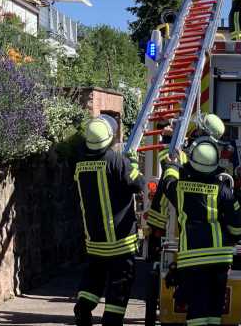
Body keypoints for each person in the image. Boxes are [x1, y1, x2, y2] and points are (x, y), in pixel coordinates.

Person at [156, 133, 241, 325]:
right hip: (220, 258)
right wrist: (232, 238)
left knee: (196, 309)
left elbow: (167, 184)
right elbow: (237, 225)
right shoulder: (223, 190)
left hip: (192, 259)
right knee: (214, 308)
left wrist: (172, 165)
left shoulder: (179, 189)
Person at [73, 115, 144, 326]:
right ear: (109, 138)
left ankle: (83, 308)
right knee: (120, 282)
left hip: (95, 239)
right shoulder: (116, 161)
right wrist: (132, 163)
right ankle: (112, 320)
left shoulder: (80, 164)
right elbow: (138, 184)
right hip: (121, 241)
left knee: (93, 277)